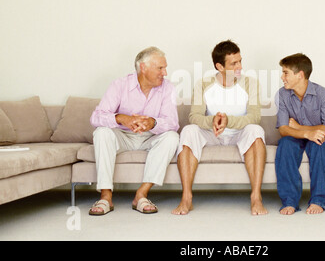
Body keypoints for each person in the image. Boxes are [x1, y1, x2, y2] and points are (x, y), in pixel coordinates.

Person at [172, 40, 268, 216]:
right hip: (212, 134)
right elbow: (194, 116)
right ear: (219, 66)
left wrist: (228, 121)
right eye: (233, 63)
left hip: (239, 133)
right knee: (188, 130)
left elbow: (254, 116)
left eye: (240, 61)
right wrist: (213, 121)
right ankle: (186, 198)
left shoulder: (250, 83)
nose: (239, 66)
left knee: (255, 130)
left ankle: (256, 197)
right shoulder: (203, 84)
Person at [89, 47, 179, 216]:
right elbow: (96, 117)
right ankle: (105, 197)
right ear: (143, 67)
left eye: (165, 67)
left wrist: (153, 123)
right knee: (101, 132)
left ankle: (141, 195)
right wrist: (123, 118)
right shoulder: (119, 85)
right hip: (123, 136)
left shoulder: (168, 88)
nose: (165, 72)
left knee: (172, 137)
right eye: (160, 68)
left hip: (150, 137)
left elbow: (173, 123)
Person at [275, 53, 325, 215]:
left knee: (319, 143)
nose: (282, 77)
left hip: (319, 137)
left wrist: (299, 127)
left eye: (286, 73)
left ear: (300, 75)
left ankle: (318, 200)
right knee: (285, 144)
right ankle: (290, 201)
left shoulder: (322, 94)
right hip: (297, 137)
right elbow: (283, 129)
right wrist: (306, 133)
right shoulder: (283, 94)